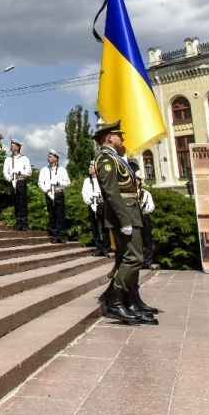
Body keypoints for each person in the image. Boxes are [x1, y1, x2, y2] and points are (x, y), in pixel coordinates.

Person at [93, 120, 156, 325]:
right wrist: (123, 220)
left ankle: (131, 300)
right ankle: (116, 301)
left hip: (130, 213)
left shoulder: (116, 158)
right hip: (124, 216)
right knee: (134, 258)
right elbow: (111, 192)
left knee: (130, 259)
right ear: (109, 137)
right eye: (119, 135)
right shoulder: (105, 159)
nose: (123, 138)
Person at [38, 149, 70, 243]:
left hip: (58, 193)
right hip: (49, 194)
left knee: (60, 215)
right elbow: (40, 183)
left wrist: (58, 183)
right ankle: (55, 235)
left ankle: (61, 235)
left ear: (56, 158)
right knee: (52, 215)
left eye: (51, 156)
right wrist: (47, 191)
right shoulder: (44, 169)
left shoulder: (62, 169)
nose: (49, 158)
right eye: (48, 156)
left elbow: (67, 182)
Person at [3, 139, 33, 230]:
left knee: (22, 202)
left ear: (18, 147)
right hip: (13, 182)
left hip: (21, 181)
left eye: (13, 145)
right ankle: (18, 222)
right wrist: (10, 178)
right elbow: (5, 172)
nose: (11, 147)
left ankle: (24, 223)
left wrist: (19, 172)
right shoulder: (8, 159)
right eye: (11, 145)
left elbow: (29, 172)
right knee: (15, 203)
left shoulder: (24, 158)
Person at [81, 162, 109, 257]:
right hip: (92, 205)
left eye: (91, 167)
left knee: (104, 227)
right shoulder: (87, 181)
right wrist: (90, 202)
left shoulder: (102, 180)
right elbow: (84, 194)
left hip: (102, 204)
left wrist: (99, 195)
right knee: (95, 227)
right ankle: (98, 248)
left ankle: (106, 248)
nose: (89, 168)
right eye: (89, 166)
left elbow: (106, 192)